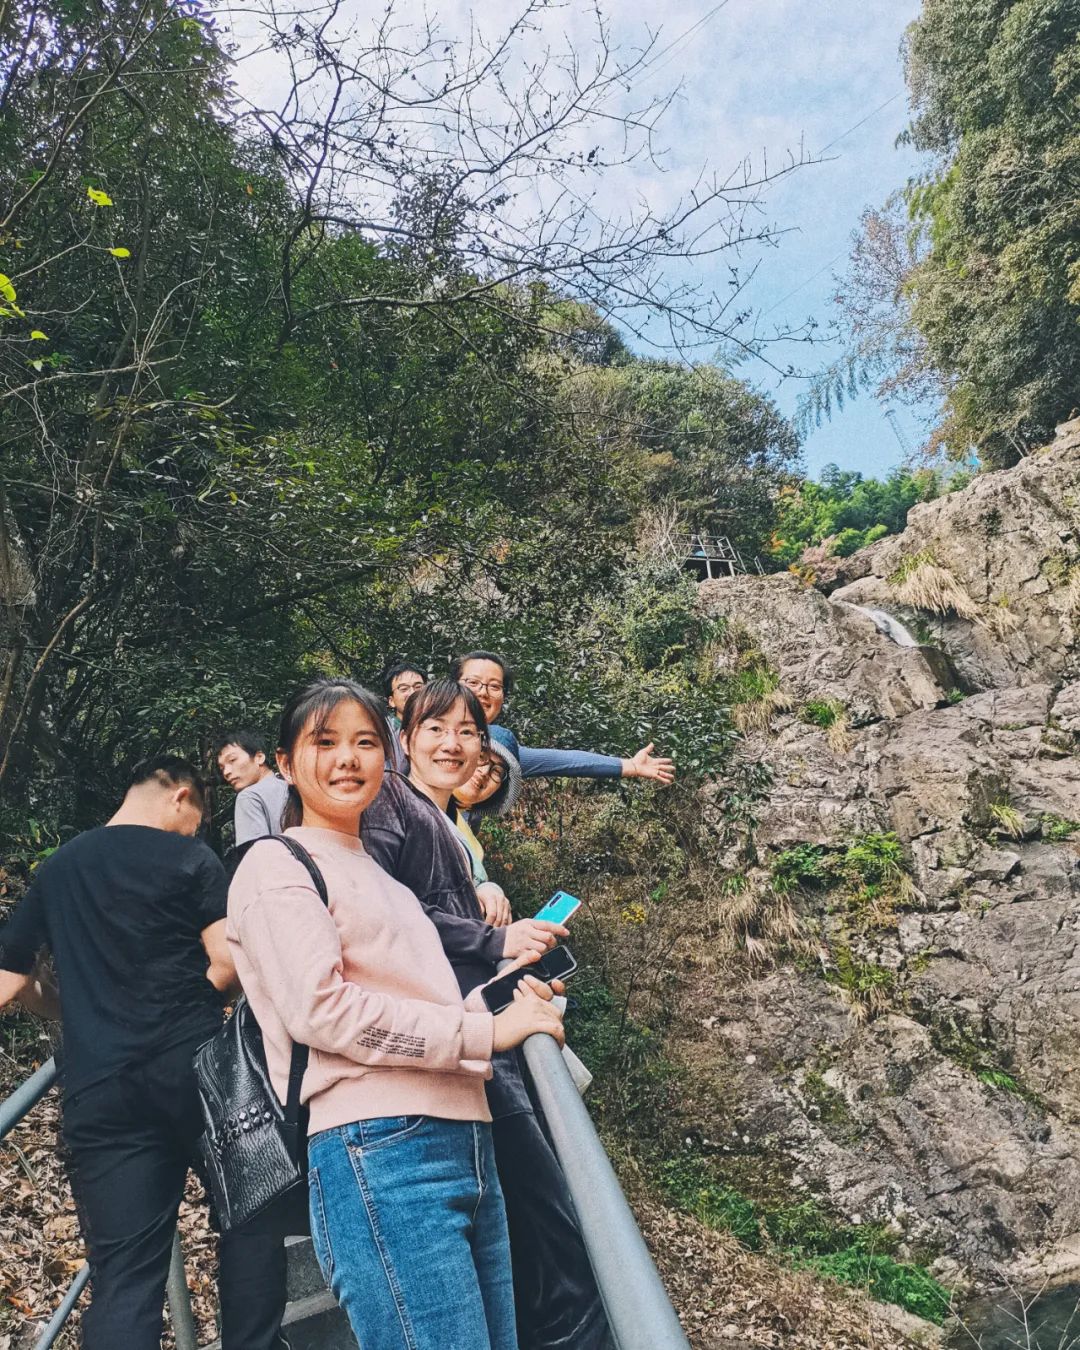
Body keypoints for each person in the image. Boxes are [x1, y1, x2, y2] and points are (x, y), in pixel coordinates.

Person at [228, 677, 564, 1350]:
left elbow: (422, 1004)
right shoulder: (275, 864)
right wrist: (484, 1030)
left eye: (365, 743)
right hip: (379, 1147)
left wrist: (506, 1002)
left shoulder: (388, 880)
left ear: (388, 758)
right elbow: (321, 1011)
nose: (348, 759)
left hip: (466, 1137)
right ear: (286, 763)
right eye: (325, 742)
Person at [0, 757, 288, 1350]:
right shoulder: (190, 858)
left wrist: (74, 1002)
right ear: (180, 796)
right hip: (198, 1073)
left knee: (125, 1274)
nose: (194, 830)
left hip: (101, 1089)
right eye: (196, 818)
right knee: (251, 1220)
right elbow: (227, 963)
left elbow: (13, 984)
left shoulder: (59, 868)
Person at [363, 680, 614, 1350]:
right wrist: (493, 940)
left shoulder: (439, 819)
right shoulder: (393, 802)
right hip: (458, 1043)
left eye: (467, 732)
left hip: (477, 1031)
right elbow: (384, 915)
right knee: (546, 1218)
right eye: (436, 728)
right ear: (405, 738)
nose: (453, 743)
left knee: (541, 1216)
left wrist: (506, 968)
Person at [450, 650, 676, 785]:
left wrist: (629, 765)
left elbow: (565, 761)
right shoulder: (430, 738)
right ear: (451, 687)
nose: (483, 692)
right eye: (472, 682)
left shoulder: (498, 751)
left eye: (494, 686)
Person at [218, 730, 290, 844]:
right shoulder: (292, 787)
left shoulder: (248, 797)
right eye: (222, 768)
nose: (226, 772)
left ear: (259, 757)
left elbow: (254, 852)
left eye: (232, 760)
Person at [380, 661, 427, 771]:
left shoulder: (438, 726)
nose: (412, 693)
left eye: (418, 687)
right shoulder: (384, 732)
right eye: (404, 689)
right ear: (391, 701)